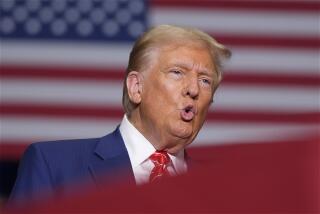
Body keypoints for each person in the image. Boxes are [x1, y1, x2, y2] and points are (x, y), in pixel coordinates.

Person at [9, 25, 231, 203]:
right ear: (136, 87)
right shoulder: (54, 166)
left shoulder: (221, 187)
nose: (193, 89)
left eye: (205, 80)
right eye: (177, 72)